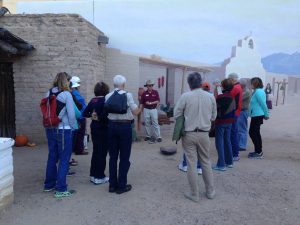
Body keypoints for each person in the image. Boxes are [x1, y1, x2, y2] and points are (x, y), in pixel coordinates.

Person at [174, 72, 217, 202]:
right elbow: (214, 117)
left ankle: (194, 194)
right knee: (205, 161)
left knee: (191, 164)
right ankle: (210, 191)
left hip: (189, 133)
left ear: (189, 83)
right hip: (204, 133)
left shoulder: (185, 96)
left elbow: (177, 114)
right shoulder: (210, 97)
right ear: (201, 83)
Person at [106, 75, 141, 194]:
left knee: (113, 157)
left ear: (114, 84)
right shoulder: (127, 95)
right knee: (124, 157)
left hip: (111, 127)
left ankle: (112, 185)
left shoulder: (108, 96)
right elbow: (135, 112)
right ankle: (122, 185)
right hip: (125, 127)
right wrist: (141, 106)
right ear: (124, 84)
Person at [43, 72, 77, 198]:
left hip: (50, 128)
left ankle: (49, 185)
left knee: (52, 156)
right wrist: (74, 127)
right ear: (66, 81)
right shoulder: (66, 94)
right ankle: (61, 189)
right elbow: (72, 114)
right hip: (64, 128)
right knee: (64, 158)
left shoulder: (49, 92)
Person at [82, 82, 110, 185]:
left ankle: (93, 175)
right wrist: (97, 117)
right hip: (103, 129)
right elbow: (104, 116)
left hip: (94, 128)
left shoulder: (93, 100)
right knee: (102, 153)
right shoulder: (105, 100)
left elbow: (85, 113)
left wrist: (92, 115)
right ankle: (99, 176)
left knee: (96, 152)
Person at [212, 78, 235, 171]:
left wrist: (215, 92)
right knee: (227, 141)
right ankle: (229, 162)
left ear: (223, 86)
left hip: (221, 122)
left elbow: (214, 106)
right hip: (230, 122)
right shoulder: (231, 96)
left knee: (219, 143)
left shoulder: (221, 97)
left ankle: (221, 164)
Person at [248, 77, 269, 159]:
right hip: (256, 115)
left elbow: (263, 104)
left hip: (258, 115)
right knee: (255, 133)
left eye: (251, 83)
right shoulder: (256, 91)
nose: (250, 85)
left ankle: (259, 152)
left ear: (255, 83)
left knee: (253, 133)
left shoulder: (258, 92)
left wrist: (266, 114)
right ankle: (258, 151)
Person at [70, 76, 88, 155]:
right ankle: (79, 150)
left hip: (78, 116)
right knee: (80, 134)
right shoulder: (75, 94)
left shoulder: (73, 93)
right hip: (80, 116)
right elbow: (81, 106)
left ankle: (76, 149)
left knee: (78, 134)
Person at [140, 79, 162, 144]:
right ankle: (148, 136)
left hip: (153, 109)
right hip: (146, 109)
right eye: (149, 86)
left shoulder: (155, 92)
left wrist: (152, 104)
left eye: (151, 85)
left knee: (155, 122)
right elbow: (141, 103)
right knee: (147, 123)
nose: (150, 87)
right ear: (146, 86)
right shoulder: (144, 93)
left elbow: (158, 101)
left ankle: (158, 136)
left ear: (152, 86)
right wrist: (140, 110)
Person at [228, 73, 243, 161]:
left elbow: (228, 96)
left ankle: (235, 154)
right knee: (233, 133)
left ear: (232, 79)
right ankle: (234, 153)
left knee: (233, 133)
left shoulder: (235, 88)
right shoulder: (238, 87)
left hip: (234, 113)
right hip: (236, 112)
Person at [237, 79, 251, 151]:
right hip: (240, 111)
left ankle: (242, 145)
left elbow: (238, 99)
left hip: (243, 111)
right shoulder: (243, 90)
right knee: (239, 128)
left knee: (242, 129)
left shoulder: (247, 92)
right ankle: (239, 144)